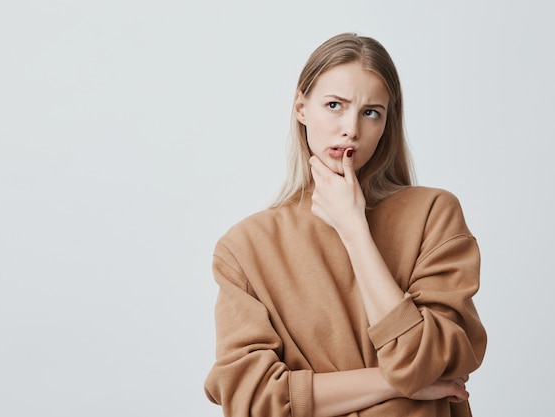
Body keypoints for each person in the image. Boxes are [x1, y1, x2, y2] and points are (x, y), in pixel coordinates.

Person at [204, 32, 487, 417]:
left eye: (371, 112)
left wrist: (354, 229)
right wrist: (392, 382)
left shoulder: (433, 214)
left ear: (387, 123)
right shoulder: (245, 248)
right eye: (334, 105)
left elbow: (424, 360)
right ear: (301, 108)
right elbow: (253, 401)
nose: (351, 129)